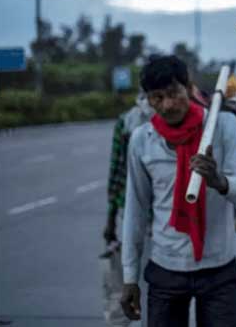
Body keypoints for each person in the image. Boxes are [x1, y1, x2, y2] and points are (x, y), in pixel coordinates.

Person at [120, 56, 236, 327]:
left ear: (189, 88)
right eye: (157, 98)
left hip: (219, 268)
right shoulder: (142, 139)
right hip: (165, 269)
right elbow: (136, 210)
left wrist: (218, 180)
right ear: (147, 100)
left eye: (173, 93)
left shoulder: (223, 125)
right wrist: (129, 277)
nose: (168, 105)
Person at [102, 92, 153, 326]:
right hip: (136, 211)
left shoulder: (178, 117)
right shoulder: (127, 122)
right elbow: (118, 171)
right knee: (139, 279)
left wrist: (111, 219)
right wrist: (111, 219)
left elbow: (115, 173)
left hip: (159, 216)